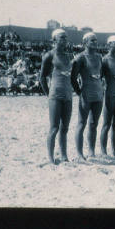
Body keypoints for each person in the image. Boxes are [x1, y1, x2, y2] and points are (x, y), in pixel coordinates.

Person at [39, 29, 73, 164]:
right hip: (55, 95)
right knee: (54, 127)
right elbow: (41, 77)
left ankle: (64, 156)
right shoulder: (49, 55)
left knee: (65, 128)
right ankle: (51, 157)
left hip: (68, 95)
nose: (65, 39)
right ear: (54, 40)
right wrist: (49, 94)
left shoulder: (68, 55)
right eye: (62, 37)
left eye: (66, 37)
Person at [71, 32, 104, 160]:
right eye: (92, 41)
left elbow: (99, 75)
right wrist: (79, 92)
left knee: (94, 124)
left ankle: (91, 151)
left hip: (98, 93)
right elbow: (73, 78)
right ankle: (79, 153)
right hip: (86, 93)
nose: (95, 43)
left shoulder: (99, 57)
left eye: (96, 40)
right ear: (85, 42)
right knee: (81, 123)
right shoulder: (80, 58)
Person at [100, 35, 115, 156]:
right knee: (106, 124)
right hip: (110, 94)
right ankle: (104, 150)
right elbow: (99, 77)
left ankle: (114, 150)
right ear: (109, 45)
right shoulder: (105, 59)